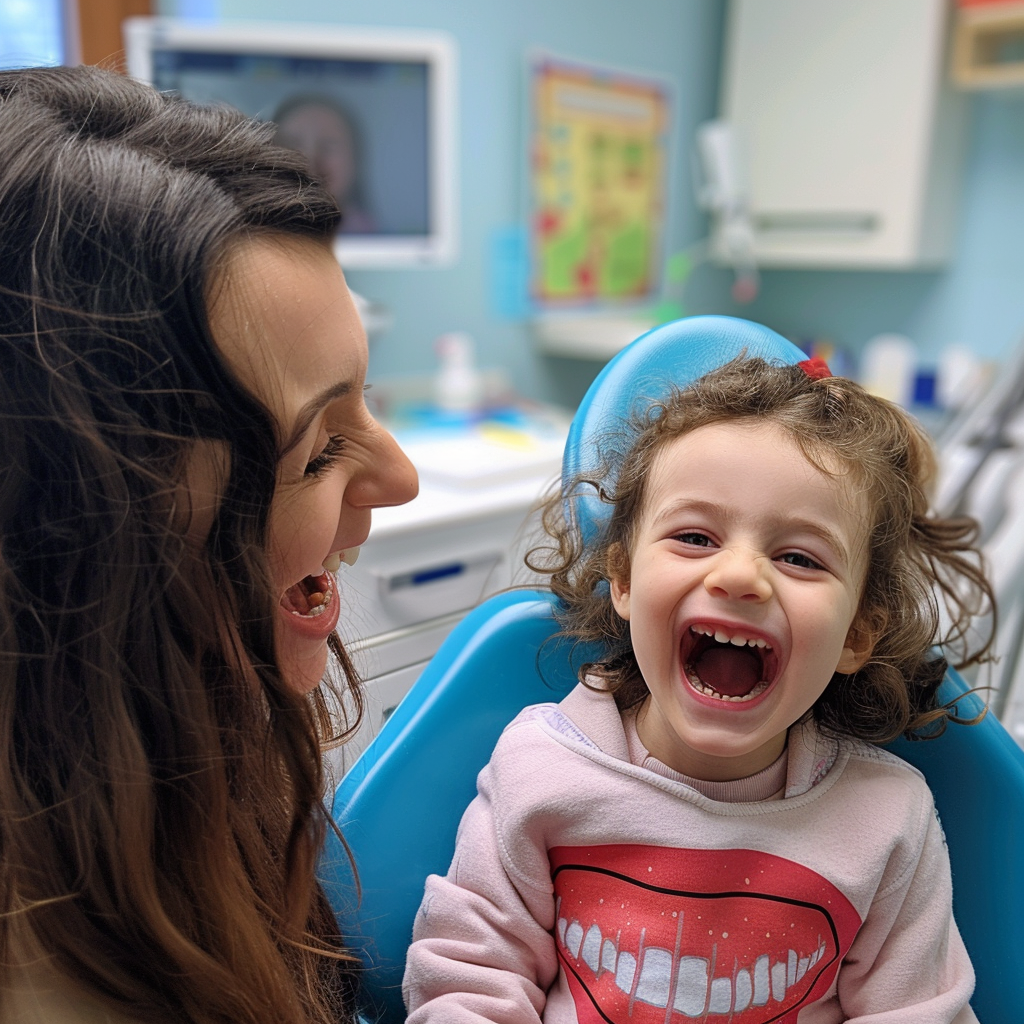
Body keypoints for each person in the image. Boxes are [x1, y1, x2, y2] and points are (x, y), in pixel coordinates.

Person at [0, 65, 417, 1024]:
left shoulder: (157, 767)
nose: (401, 481)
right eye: (318, 452)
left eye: (367, 397)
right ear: (86, 550)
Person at [403, 355, 995, 1023]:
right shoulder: (538, 769)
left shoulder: (888, 818)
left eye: (798, 557)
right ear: (623, 580)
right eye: (694, 537)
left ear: (856, 634)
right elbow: (468, 984)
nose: (741, 574)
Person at [273, 94, 376, 234]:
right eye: (292, 144)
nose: (309, 159)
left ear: (355, 160)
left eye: (328, 146)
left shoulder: (375, 240)